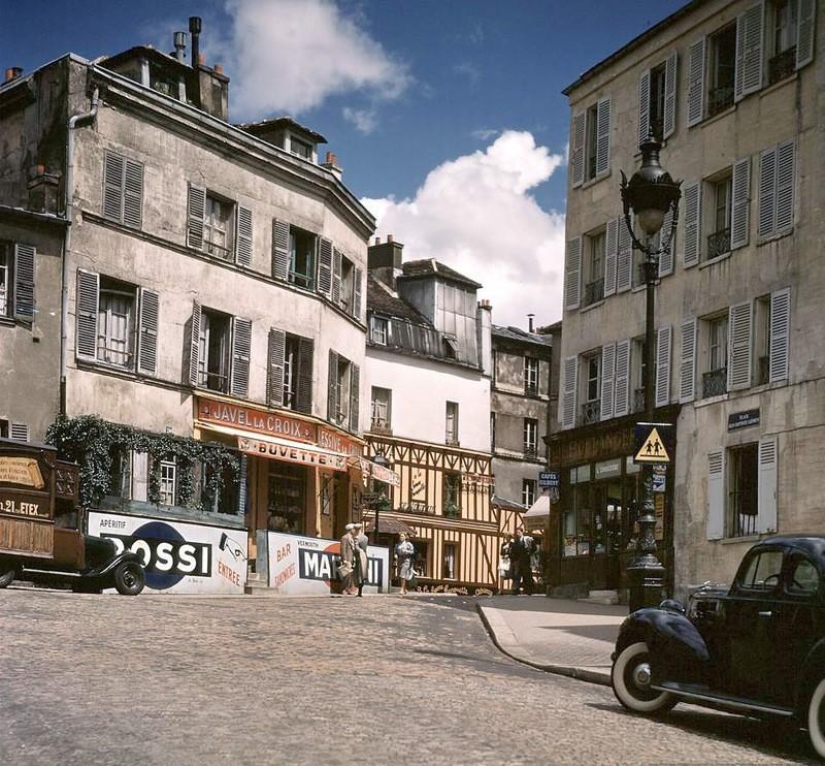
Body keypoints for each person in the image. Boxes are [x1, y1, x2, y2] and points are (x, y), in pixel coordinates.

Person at [510, 526, 535, 596]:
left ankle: (528, 590)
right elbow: (514, 551)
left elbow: (534, 548)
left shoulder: (527, 539)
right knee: (517, 576)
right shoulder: (516, 541)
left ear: (522, 532)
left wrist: (529, 553)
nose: (517, 534)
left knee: (526, 576)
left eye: (519, 532)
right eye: (517, 533)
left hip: (526, 561)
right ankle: (516, 590)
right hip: (518, 561)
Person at [338, 523, 356, 595]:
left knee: (351, 575)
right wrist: (344, 559)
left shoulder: (352, 538)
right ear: (350, 529)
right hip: (347, 560)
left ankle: (348, 588)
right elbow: (343, 549)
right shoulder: (344, 538)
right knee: (346, 575)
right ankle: (343, 589)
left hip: (351, 559)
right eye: (353, 529)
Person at [352, 522, 369, 597]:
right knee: (363, 574)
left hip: (359, 556)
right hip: (364, 555)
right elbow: (365, 548)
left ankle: (359, 592)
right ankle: (360, 591)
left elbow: (356, 548)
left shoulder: (356, 538)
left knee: (358, 574)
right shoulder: (365, 537)